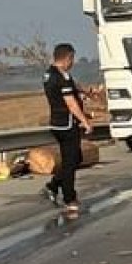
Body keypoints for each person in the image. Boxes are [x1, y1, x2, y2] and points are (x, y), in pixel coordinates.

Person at [41, 43, 92, 213]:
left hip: (56, 123)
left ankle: (53, 185)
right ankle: (69, 198)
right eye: (72, 59)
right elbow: (71, 103)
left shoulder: (50, 74)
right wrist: (84, 121)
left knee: (75, 158)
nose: (73, 62)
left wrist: (86, 91)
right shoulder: (61, 78)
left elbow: (73, 85)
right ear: (67, 58)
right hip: (67, 124)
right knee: (70, 162)